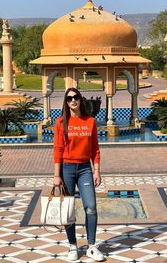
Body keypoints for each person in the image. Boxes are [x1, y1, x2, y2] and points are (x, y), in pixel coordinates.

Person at [53, 87, 104, 262]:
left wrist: (96, 171)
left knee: (91, 207)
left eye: (76, 97)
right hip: (66, 169)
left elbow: (95, 149)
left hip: (84, 169)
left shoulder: (90, 121)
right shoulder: (61, 122)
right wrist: (56, 175)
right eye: (69, 98)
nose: (73, 100)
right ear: (66, 102)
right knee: (68, 209)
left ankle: (91, 246)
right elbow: (58, 149)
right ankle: (72, 245)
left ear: (81, 100)